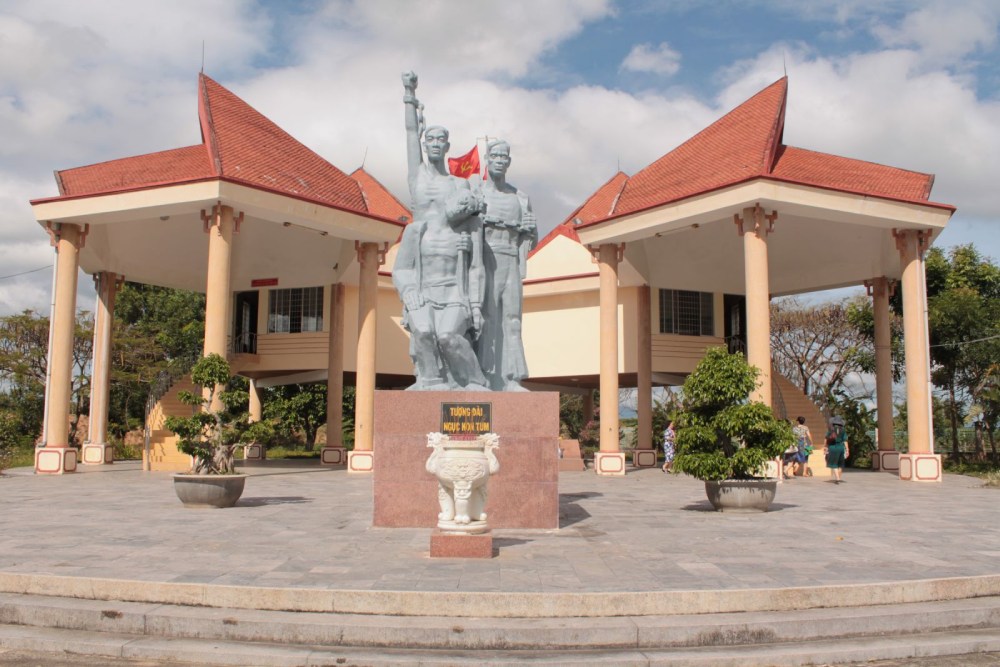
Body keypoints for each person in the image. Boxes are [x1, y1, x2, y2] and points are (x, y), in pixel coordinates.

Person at [393, 71, 490, 390]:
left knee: (448, 336)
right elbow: (409, 133)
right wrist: (409, 94)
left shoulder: (459, 185)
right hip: (423, 278)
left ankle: (473, 381)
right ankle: (431, 381)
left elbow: (477, 261)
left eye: (440, 140)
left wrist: (476, 305)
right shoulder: (418, 179)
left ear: (447, 146)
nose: (434, 144)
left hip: (453, 286)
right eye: (429, 139)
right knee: (423, 332)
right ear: (426, 144)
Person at [474, 139, 537, 391]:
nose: (499, 160)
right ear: (487, 160)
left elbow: (530, 240)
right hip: (486, 260)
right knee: (487, 318)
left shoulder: (520, 198)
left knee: (512, 319)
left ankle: (512, 377)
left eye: (504, 157)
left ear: (508, 162)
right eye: (495, 156)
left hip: (511, 259)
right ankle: (484, 376)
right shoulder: (477, 193)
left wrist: (530, 230)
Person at [824, 416, 849, 484]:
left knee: (833, 463)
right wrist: (847, 450)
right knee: (840, 464)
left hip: (832, 447)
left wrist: (825, 447)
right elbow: (845, 441)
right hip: (841, 447)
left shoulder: (830, 430)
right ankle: (839, 478)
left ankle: (837, 479)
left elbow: (826, 439)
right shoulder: (843, 431)